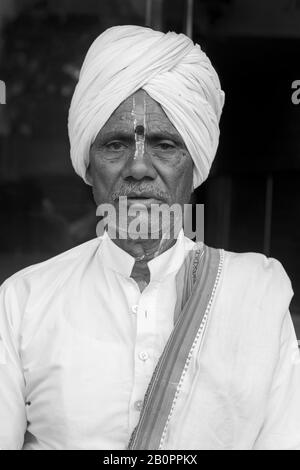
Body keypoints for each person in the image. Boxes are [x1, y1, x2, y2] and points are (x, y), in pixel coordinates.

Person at [1, 25, 300, 451]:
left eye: (164, 145)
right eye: (115, 145)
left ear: (194, 165)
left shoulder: (257, 295)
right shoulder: (23, 302)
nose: (139, 169)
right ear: (87, 167)